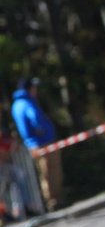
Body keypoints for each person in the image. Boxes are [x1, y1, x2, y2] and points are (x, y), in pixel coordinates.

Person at [9, 77, 62, 212]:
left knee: (43, 173)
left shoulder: (16, 105)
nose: (36, 90)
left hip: (32, 144)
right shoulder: (27, 103)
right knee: (50, 171)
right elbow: (35, 119)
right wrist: (43, 130)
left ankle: (49, 200)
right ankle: (53, 201)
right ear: (29, 88)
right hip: (43, 142)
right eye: (34, 88)